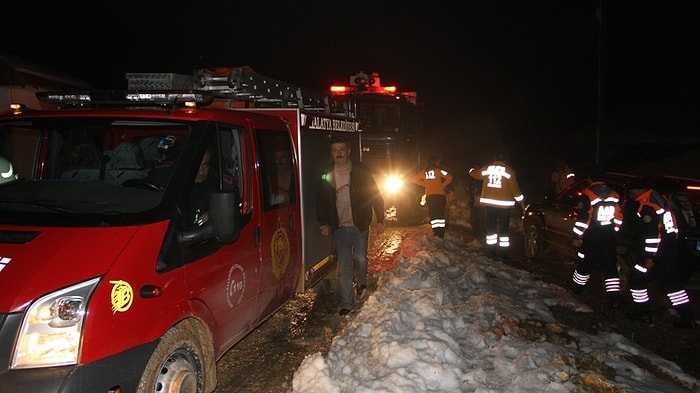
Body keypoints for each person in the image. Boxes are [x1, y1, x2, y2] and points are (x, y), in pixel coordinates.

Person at [316, 135, 385, 316]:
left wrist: (380, 218)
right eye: (335, 150)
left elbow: (375, 194)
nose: (339, 153)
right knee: (344, 268)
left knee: (361, 259)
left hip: (359, 224)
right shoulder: (326, 173)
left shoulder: (360, 170)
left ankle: (361, 282)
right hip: (339, 228)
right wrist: (323, 223)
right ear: (331, 153)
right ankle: (347, 303)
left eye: (342, 149)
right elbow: (321, 201)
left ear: (348, 151)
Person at [624, 179, 696, 328]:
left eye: (632, 191)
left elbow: (652, 235)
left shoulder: (649, 206)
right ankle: (688, 318)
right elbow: (672, 228)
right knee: (672, 285)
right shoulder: (661, 200)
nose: (630, 194)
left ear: (640, 189)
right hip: (668, 250)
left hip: (655, 254)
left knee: (636, 279)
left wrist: (649, 257)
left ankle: (642, 313)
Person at [567, 170, 624, 308]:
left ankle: (576, 290)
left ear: (589, 179)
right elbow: (619, 216)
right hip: (608, 237)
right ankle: (613, 298)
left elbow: (584, 219)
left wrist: (577, 236)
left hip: (592, 237)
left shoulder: (588, 194)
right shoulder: (614, 194)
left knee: (584, 264)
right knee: (610, 268)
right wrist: (613, 230)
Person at [469, 152, 525, 258]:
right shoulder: (509, 171)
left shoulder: (487, 169)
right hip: (504, 206)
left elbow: (475, 174)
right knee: (503, 228)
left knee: (491, 227)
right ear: (505, 160)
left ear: (494, 159)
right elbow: (515, 189)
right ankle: (503, 252)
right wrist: (521, 201)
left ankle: (492, 250)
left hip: (490, 204)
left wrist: (471, 170)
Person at [411, 155, 453, 238]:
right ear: (435, 162)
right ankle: (441, 233)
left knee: (433, 215)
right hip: (440, 196)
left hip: (430, 196)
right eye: (438, 161)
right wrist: (442, 185)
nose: (439, 163)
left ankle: (436, 232)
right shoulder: (438, 171)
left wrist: (426, 184)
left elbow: (413, 179)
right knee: (440, 214)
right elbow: (450, 177)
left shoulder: (424, 172)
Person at [189, 148, 215, 226]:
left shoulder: (218, 184)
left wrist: (212, 215)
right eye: (197, 166)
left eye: (205, 165)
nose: (201, 171)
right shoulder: (177, 183)